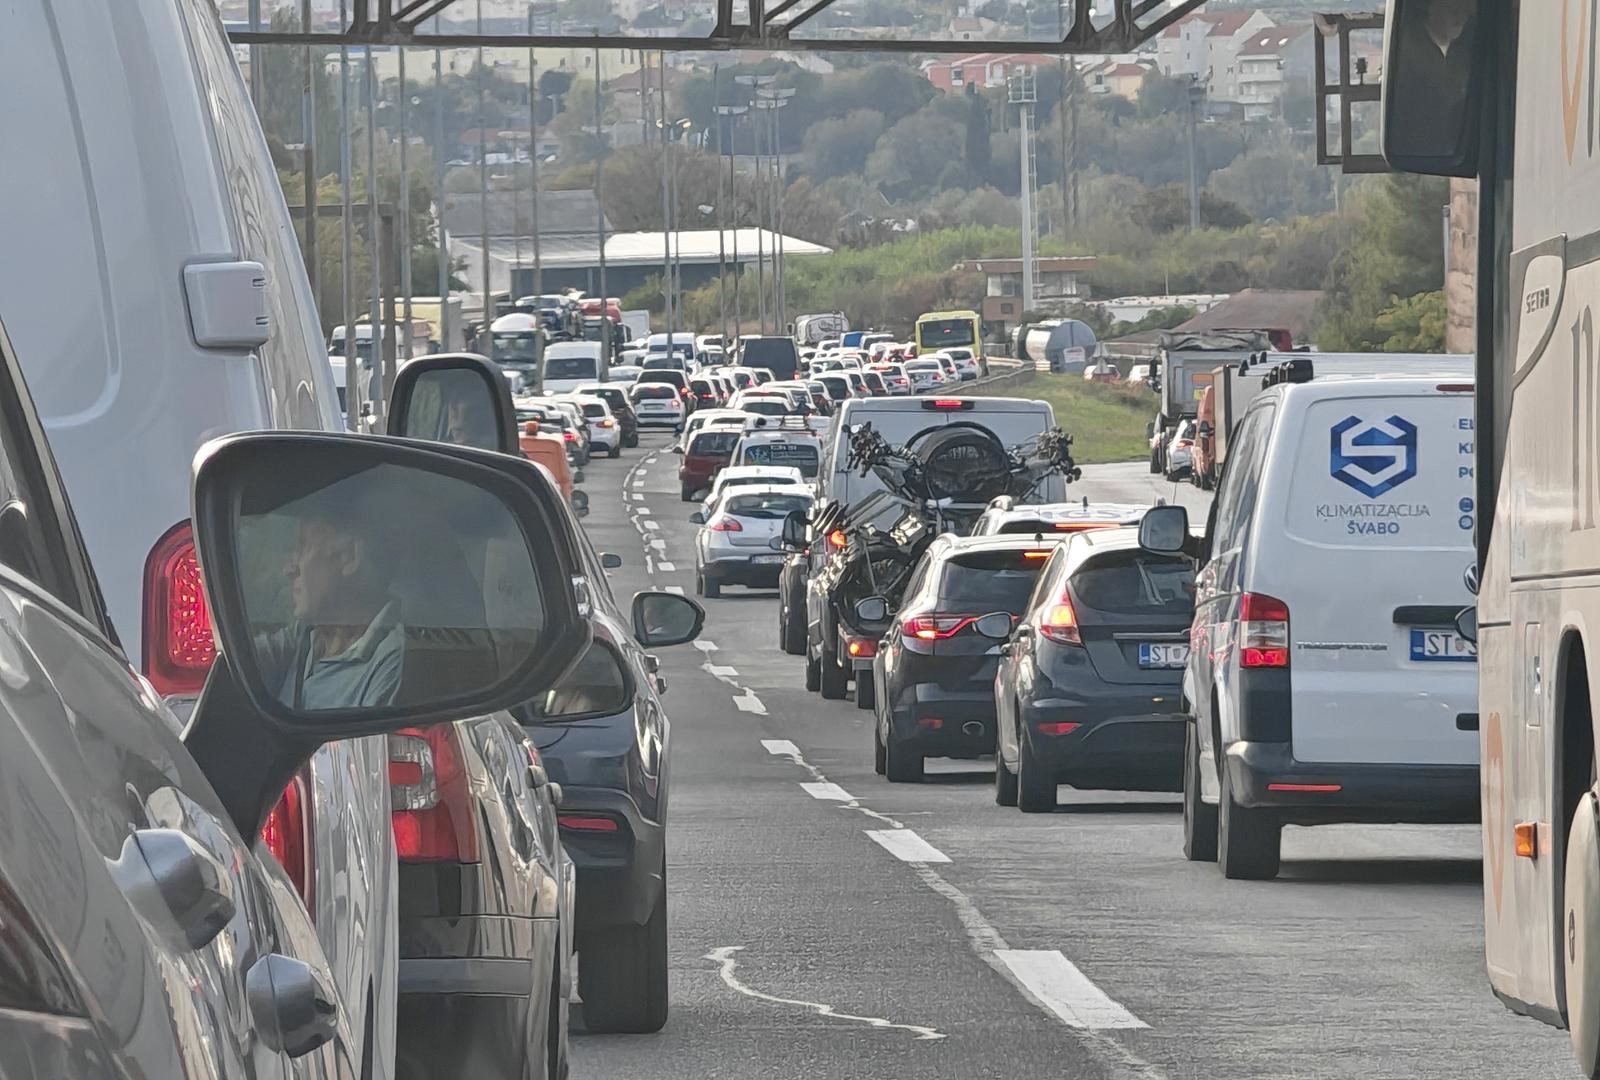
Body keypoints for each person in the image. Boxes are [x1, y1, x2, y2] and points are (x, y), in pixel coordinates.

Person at [255, 487, 405, 711]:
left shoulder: (391, 663)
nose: (288, 569)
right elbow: (235, 663)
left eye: (304, 547)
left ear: (348, 557)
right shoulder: (303, 637)